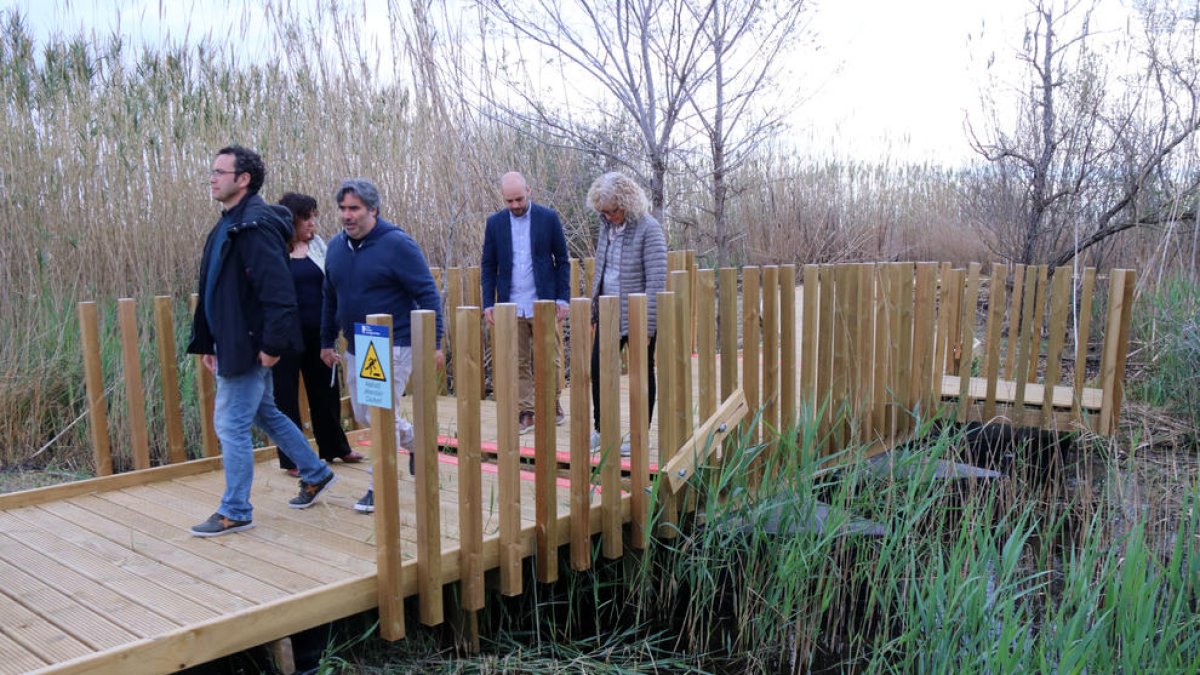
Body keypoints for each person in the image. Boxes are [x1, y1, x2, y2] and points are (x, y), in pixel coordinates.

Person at [187, 145, 337, 537]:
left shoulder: (254, 225)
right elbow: (213, 288)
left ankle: (236, 509)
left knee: (231, 425)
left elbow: (279, 294)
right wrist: (206, 341)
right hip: (232, 341)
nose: (212, 177)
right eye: (212, 171)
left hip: (249, 344)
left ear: (243, 179)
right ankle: (315, 471)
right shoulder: (229, 224)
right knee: (264, 413)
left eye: (220, 171)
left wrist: (272, 346)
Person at [320, 178, 443, 514]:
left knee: (380, 413)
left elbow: (428, 293)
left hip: (394, 343)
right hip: (356, 345)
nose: (347, 215)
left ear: (373, 209)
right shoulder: (335, 247)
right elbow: (329, 297)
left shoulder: (397, 244)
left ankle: (381, 487)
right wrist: (325, 341)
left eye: (354, 208)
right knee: (365, 414)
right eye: (343, 208)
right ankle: (419, 441)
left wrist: (434, 342)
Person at [271, 192, 363, 477]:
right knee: (284, 398)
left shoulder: (320, 246)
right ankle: (292, 459)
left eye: (313, 217)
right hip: (284, 336)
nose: (312, 223)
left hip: (317, 332)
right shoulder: (274, 250)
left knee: (326, 390)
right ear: (291, 220)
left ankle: (335, 446)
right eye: (306, 218)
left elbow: (332, 284)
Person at [481, 171, 571, 434]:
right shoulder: (495, 223)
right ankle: (527, 411)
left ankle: (552, 404)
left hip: (543, 302)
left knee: (550, 357)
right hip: (511, 304)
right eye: (509, 201)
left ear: (529, 191)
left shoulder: (548, 218)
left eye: (519, 199)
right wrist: (489, 303)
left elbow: (562, 260)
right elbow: (488, 265)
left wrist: (562, 298)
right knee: (518, 359)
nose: (515, 206)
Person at [587, 172, 667, 455]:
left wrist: (647, 325)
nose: (610, 217)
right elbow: (602, 271)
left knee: (641, 373)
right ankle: (601, 430)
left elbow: (657, 279)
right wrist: (594, 312)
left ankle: (638, 436)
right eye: (604, 212)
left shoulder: (649, 228)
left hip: (637, 314)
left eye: (614, 211)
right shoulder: (605, 226)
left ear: (627, 203)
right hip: (608, 311)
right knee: (598, 369)